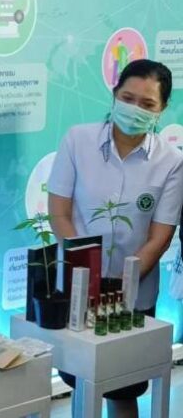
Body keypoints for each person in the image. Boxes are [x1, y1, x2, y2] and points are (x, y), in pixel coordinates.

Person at [48, 59, 183, 417]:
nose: (135, 108)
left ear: (162, 108)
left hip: (134, 294)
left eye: (147, 103)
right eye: (128, 98)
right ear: (114, 94)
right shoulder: (77, 140)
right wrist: (86, 274)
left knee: (124, 386)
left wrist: (122, 285)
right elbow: (60, 213)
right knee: (79, 380)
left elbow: (160, 236)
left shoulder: (171, 162)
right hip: (77, 287)